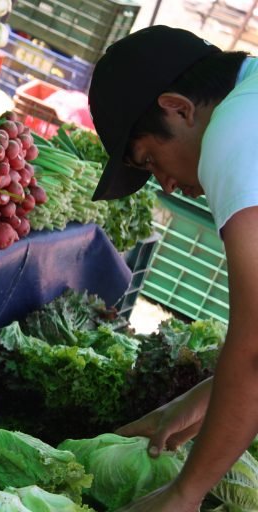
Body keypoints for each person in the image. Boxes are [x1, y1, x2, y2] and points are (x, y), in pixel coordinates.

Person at [88, 25, 258, 511]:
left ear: (179, 108)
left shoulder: (235, 131)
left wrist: (186, 491)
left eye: (150, 160)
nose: (163, 184)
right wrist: (204, 397)